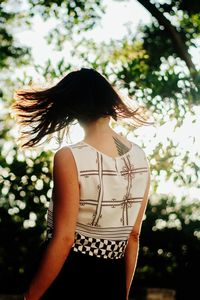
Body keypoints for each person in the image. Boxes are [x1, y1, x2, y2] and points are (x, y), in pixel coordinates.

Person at [12, 67, 151, 300]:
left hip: (70, 278)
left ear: (72, 108)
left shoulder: (70, 157)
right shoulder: (140, 158)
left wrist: (31, 296)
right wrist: (122, 293)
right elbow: (133, 235)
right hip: (112, 279)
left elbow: (65, 238)